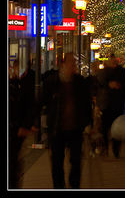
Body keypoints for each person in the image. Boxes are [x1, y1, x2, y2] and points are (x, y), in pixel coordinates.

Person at [41, 53, 92, 189]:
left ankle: (74, 185)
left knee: (76, 162)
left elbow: (87, 105)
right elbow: (42, 102)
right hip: (57, 129)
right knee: (57, 162)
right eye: (71, 63)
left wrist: (88, 123)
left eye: (74, 63)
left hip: (75, 128)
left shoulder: (80, 82)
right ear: (62, 65)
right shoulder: (52, 82)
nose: (73, 66)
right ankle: (59, 187)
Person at [9, 59, 37, 189]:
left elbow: (29, 106)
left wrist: (25, 125)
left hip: (15, 131)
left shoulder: (20, 84)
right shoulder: (14, 84)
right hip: (15, 130)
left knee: (13, 164)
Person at [96, 53, 125, 158]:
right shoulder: (103, 72)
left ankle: (116, 149)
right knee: (105, 128)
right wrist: (109, 85)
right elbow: (99, 84)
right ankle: (105, 148)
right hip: (106, 104)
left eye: (114, 60)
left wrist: (120, 87)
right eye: (111, 60)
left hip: (117, 103)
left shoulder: (121, 72)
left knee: (117, 128)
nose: (113, 62)